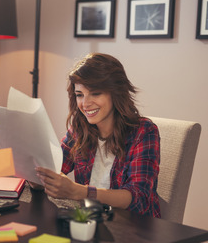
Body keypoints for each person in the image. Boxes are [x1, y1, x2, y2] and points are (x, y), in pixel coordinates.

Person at [33, 53, 161, 218]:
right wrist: (36, 173)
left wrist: (80, 192)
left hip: (135, 228)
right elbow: (55, 167)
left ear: (116, 93)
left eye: (95, 93)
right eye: (80, 95)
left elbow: (138, 197)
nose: (85, 104)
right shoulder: (80, 129)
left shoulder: (144, 131)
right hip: (90, 220)